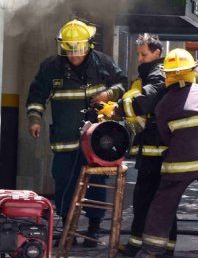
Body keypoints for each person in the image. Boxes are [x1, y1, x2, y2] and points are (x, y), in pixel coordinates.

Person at [25, 19, 127, 247]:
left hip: (96, 140)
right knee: (64, 182)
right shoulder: (51, 67)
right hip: (65, 138)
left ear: (88, 45)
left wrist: (107, 95)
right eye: (69, 51)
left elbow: (122, 83)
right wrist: (34, 119)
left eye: (78, 50)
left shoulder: (102, 63)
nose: (73, 55)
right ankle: (67, 226)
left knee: (96, 182)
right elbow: (36, 96)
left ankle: (94, 226)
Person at [137, 49, 198, 258]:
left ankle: (151, 251)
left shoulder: (164, 105)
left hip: (183, 161)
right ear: (193, 71)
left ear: (167, 76)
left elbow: (165, 136)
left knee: (163, 204)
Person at [118, 34, 178, 257]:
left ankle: (141, 246)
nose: (140, 59)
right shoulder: (151, 73)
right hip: (154, 147)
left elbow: (146, 100)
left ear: (157, 53)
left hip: (158, 149)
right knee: (156, 199)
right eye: (138, 55)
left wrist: (119, 106)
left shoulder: (159, 74)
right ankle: (151, 245)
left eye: (144, 54)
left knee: (147, 199)